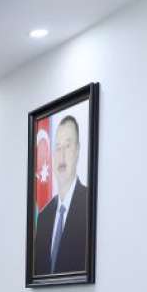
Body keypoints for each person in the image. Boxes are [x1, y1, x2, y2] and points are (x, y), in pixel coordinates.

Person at [31, 114, 90, 276]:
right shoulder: (43, 218)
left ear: (77, 151)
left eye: (68, 146)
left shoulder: (89, 205)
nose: (62, 155)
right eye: (58, 147)